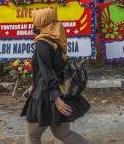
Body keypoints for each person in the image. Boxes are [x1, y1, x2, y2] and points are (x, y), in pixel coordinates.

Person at [21, 8, 90, 144]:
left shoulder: (42, 43)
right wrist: (34, 85)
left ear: (43, 22)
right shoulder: (56, 38)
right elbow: (52, 68)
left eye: (35, 20)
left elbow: (47, 73)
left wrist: (56, 100)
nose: (33, 24)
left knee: (33, 135)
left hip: (46, 95)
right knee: (63, 134)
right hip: (57, 91)